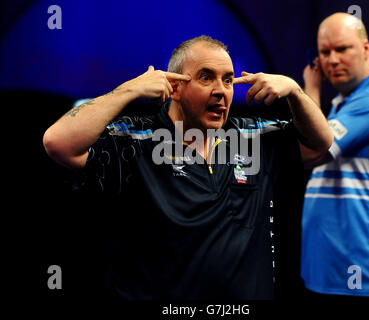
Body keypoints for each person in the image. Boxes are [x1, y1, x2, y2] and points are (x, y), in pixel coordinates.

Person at [43, 35, 333, 300]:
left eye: (228, 80)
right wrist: (127, 91)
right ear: (175, 88)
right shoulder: (136, 139)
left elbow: (321, 145)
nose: (221, 91)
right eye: (206, 78)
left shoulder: (254, 137)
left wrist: (295, 91)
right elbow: (58, 143)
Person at [301, 12, 369, 304]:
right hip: (336, 271)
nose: (332, 60)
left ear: (365, 49)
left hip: (360, 272)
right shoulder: (348, 102)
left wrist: (304, 92)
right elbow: (317, 140)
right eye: (324, 52)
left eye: (342, 49)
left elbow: (311, 151)